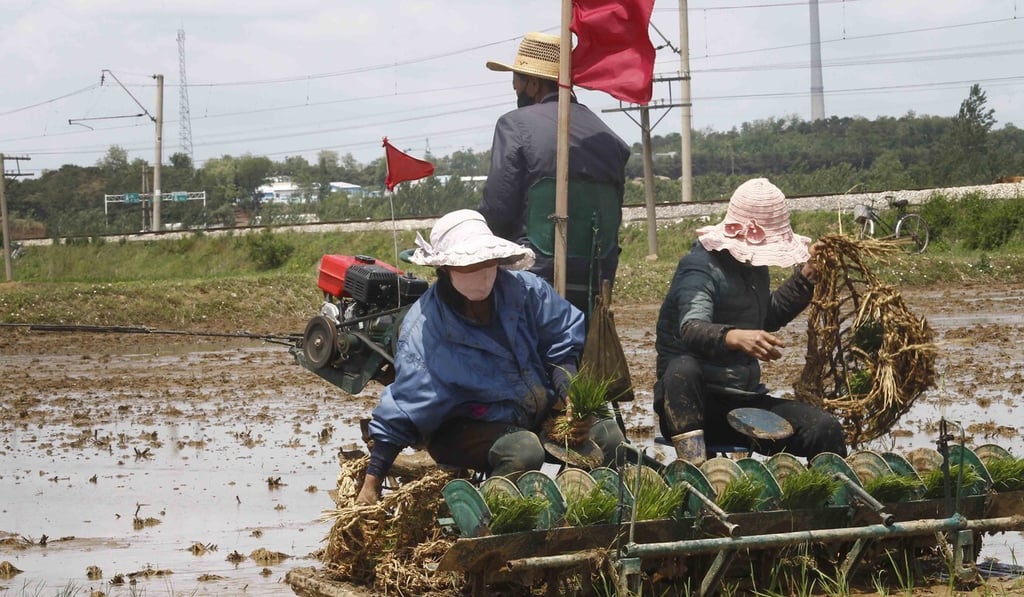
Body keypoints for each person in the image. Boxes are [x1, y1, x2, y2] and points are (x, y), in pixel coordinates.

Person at [356, 209, 625, 505]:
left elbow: (559, 342)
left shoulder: (527, 292)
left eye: (488, 263)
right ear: (445, 268)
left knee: (609, 436)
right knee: (523, 450)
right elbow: (406, 408)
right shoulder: (426, 329)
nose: (482, 273)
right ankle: (492, 515)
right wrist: (372, 481)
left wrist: (570, 396)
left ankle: (594, 511)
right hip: (461, 428)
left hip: (531, 411)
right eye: (469, 265)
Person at [653, 178, 847, 465]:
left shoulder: (754, 269)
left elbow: (766, 315)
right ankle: (695, 472)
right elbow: (691, 329)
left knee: (825, 429)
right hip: (694, 406)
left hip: (742, 401)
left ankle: (828, 500)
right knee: (683, 368)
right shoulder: (699, 267)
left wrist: (806, 277)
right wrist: (736, 337)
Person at [477, 31, 631, 315]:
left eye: (517, 83)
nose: (515, 91)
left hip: (531, 279)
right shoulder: (613, 141)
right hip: (596, 280)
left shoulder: (514, 126)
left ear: (533, 84)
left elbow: (497, 210)